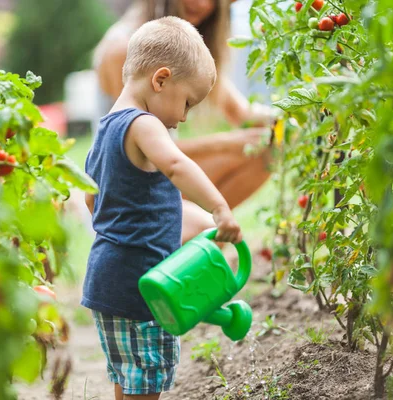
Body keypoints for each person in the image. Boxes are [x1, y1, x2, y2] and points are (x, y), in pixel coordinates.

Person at [82, 16, 243, 399]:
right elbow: (177, 165)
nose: (184, 116)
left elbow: (92, 198)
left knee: (127, 378)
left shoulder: (106, 129)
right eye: (187, 102)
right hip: (142, 290)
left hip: (108, 283)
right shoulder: (144, 125)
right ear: (160, 79)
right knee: (148, 384)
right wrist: (220, 208)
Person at [93, 0, 275, 244]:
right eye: (186, 104)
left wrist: (294, 113)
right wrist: (226, 144)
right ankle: (185, 241)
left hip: (149, 184)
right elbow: (161, 157)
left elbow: (242, 113)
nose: (201, 4)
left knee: (265, 151)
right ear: (160, 79)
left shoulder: (179, 51)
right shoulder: (123, 49)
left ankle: (191, 237)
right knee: (205, 227)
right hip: (132, 197)